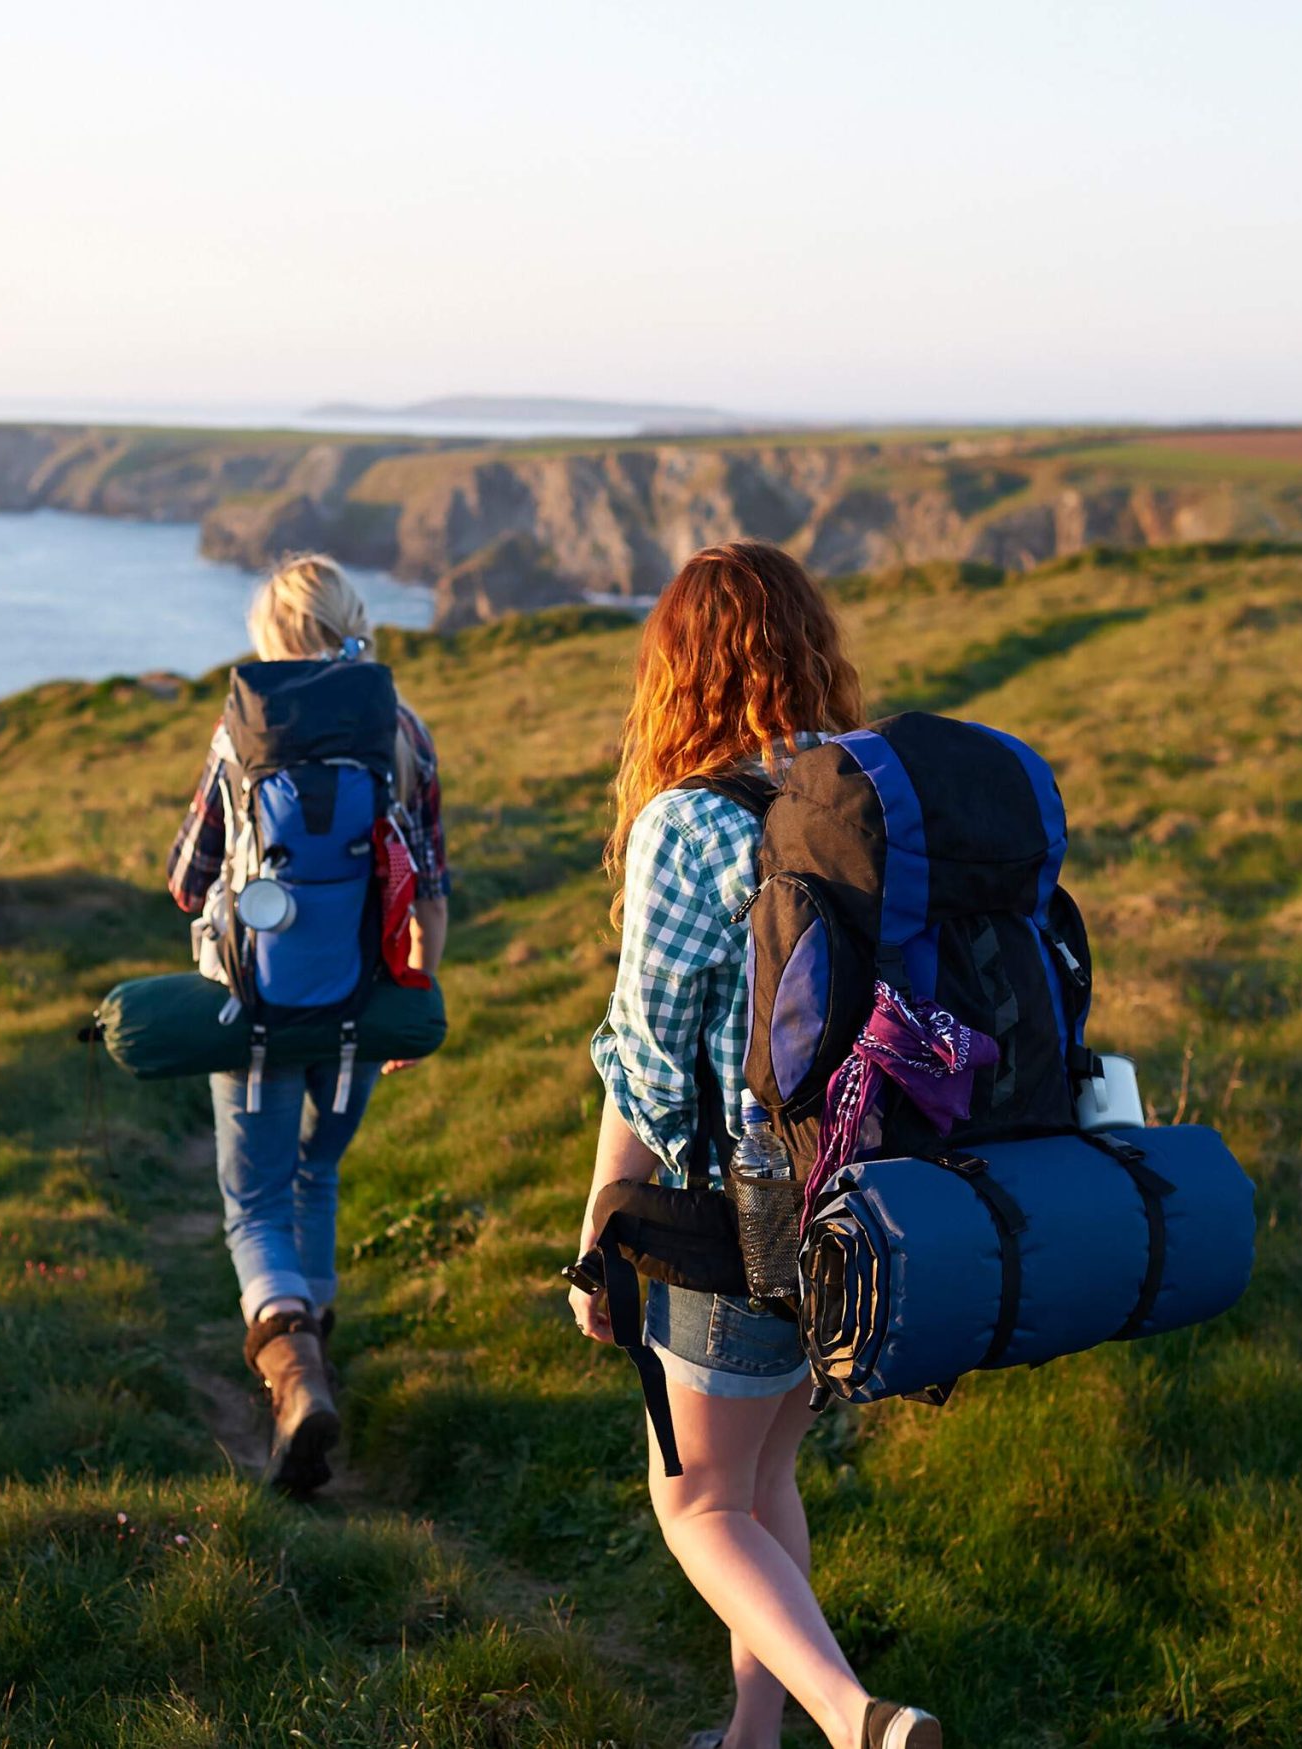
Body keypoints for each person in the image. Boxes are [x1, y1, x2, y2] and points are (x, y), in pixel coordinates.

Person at [571, 542, 942, 1749]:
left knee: (693, 1505)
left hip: (737, 1221)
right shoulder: (868, 799)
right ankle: (750, 1737)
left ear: (679, 669)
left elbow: (646, 1051)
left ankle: (855, 1722)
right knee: (762, 1476)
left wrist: (602, 1230)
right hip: (875, 1202)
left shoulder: (690, 822)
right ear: (809, 645)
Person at [167, 554, 449, 1495]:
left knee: (252, 1200)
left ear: (269, 638)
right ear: (352, 621)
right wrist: (411, 994)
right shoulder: (401, 728)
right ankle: (313, 1356)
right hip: (360, 1008)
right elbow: (432, 890)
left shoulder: (242, 730)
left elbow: (186, 879)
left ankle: (292, 1374)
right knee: (316, 1168)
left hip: (252, 1008)